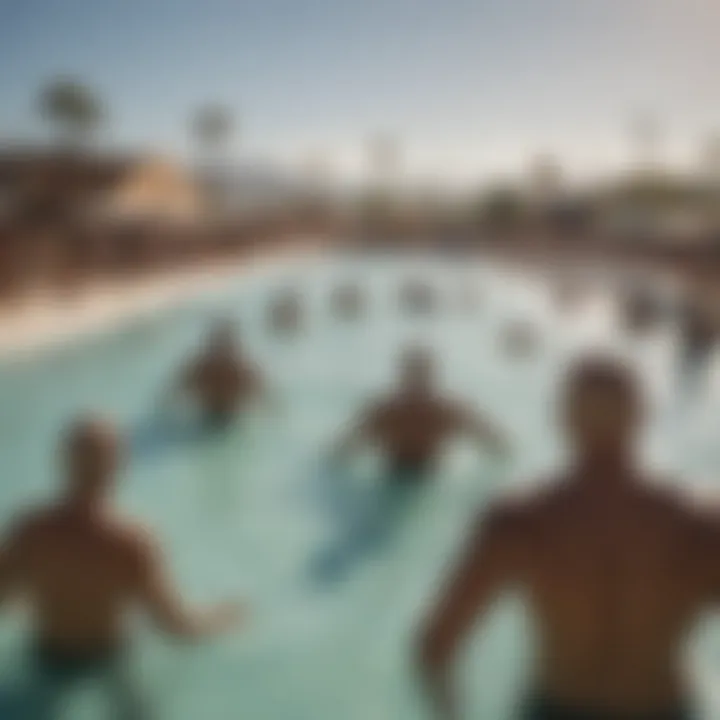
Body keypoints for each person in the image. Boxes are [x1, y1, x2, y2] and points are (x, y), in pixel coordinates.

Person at [416, 355, 719, 719]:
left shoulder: (518, 521)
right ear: (642, 417)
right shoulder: (701, 522)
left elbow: (435, 645)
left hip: (557, 707)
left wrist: (449, 710)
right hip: (663, 706)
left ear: (563, 420)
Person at [0, 417, 243, 718]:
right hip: (108, 656)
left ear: (62, 462)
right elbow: (176, 627)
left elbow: (1, 601)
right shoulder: (130, 541)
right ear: (118, 465)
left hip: (47, 654)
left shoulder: (27, 531)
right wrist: (222, 619)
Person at [329, 346, 508, 477]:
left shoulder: (388, 412)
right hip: (412, 477)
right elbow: (498, 447)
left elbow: (341, 453)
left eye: (418, 377)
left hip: (409, 477)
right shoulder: (388, 411)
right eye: (415, 377)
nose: (416, 383)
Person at [173, 320, 264, 428]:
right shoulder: (237, 370)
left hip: (217, 414)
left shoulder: (204, 367)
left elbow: (180, 386)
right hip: (220, 414)